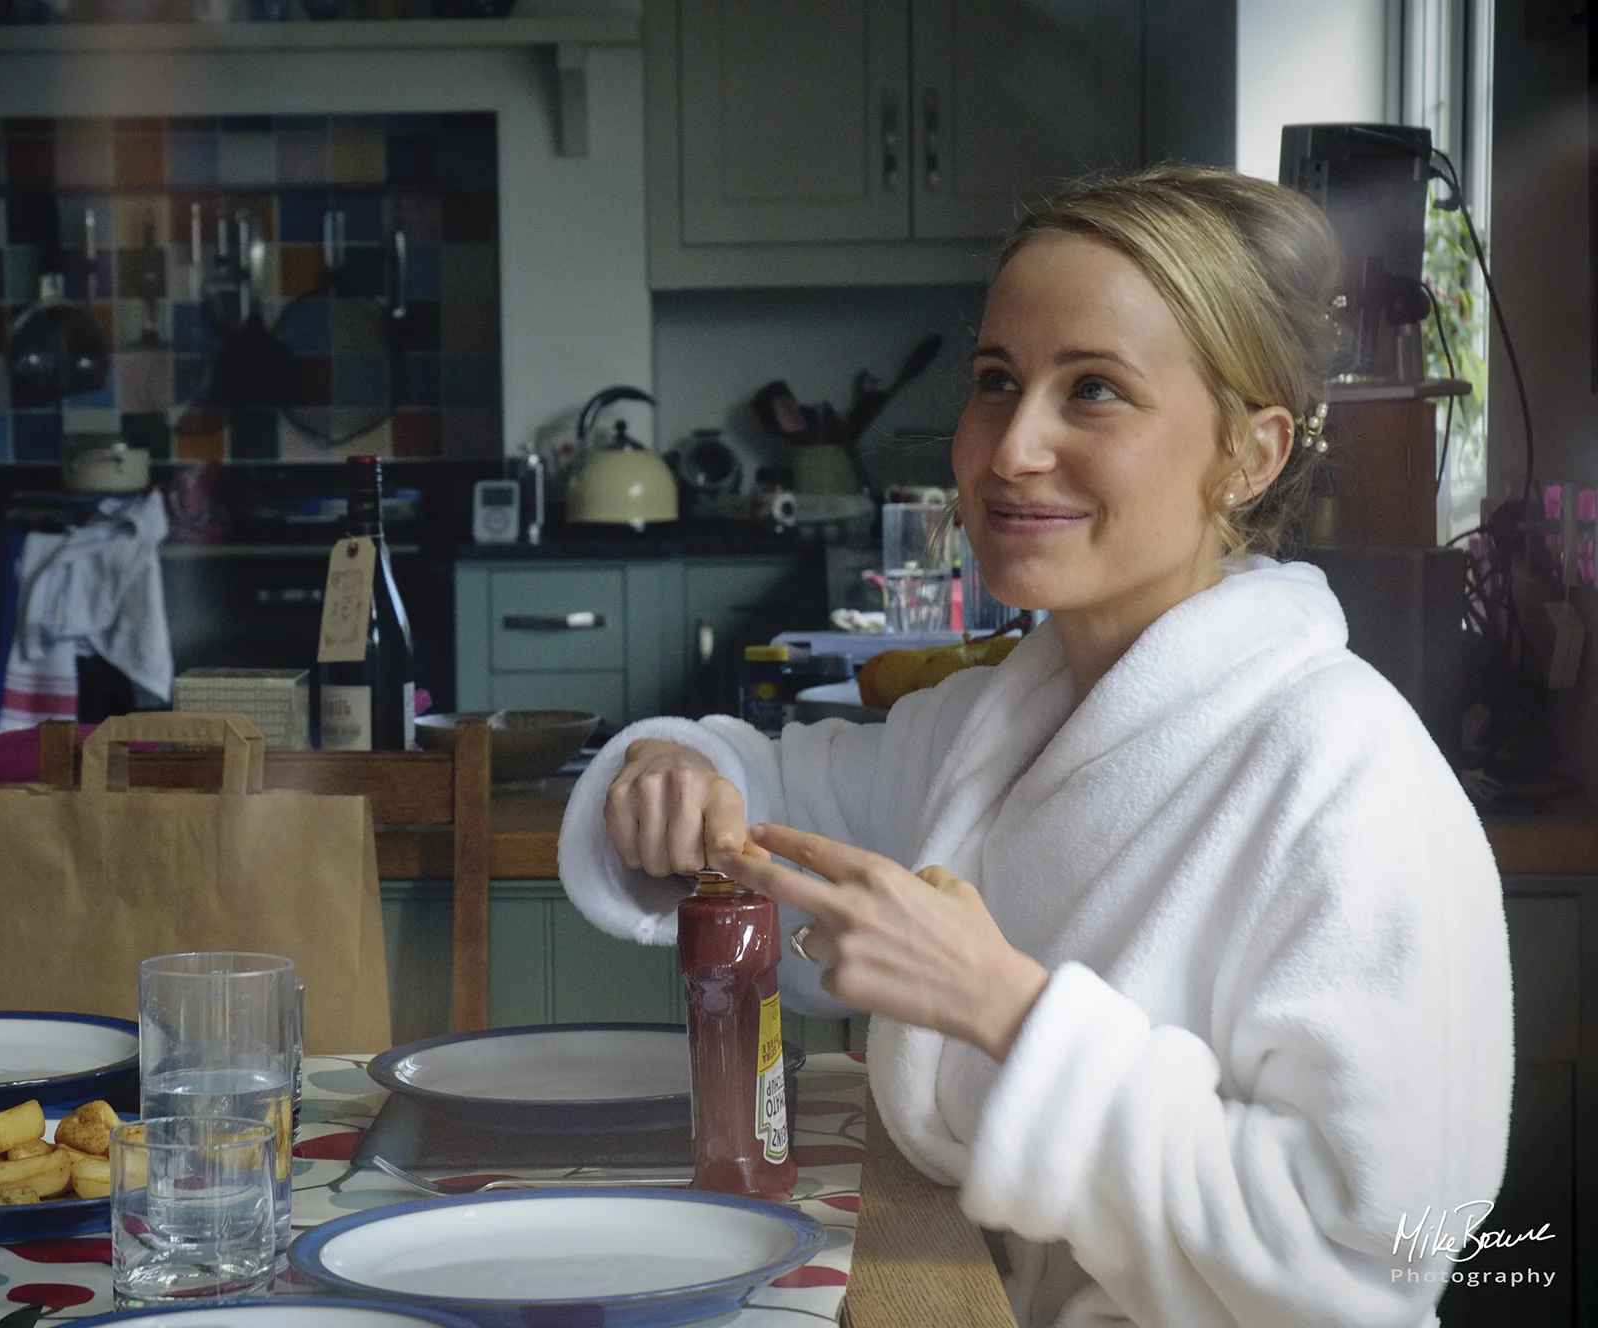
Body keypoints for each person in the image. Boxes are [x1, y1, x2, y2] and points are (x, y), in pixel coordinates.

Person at [556, 164, 1513, 1328]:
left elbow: (1365, 1265)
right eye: (995, 381)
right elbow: (768, 797)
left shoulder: (1343, 773)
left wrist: (1005, 1008)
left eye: (1094, 390)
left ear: (1248, 454)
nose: (1010, 449)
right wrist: (674, 770)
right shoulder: (1006, 718)